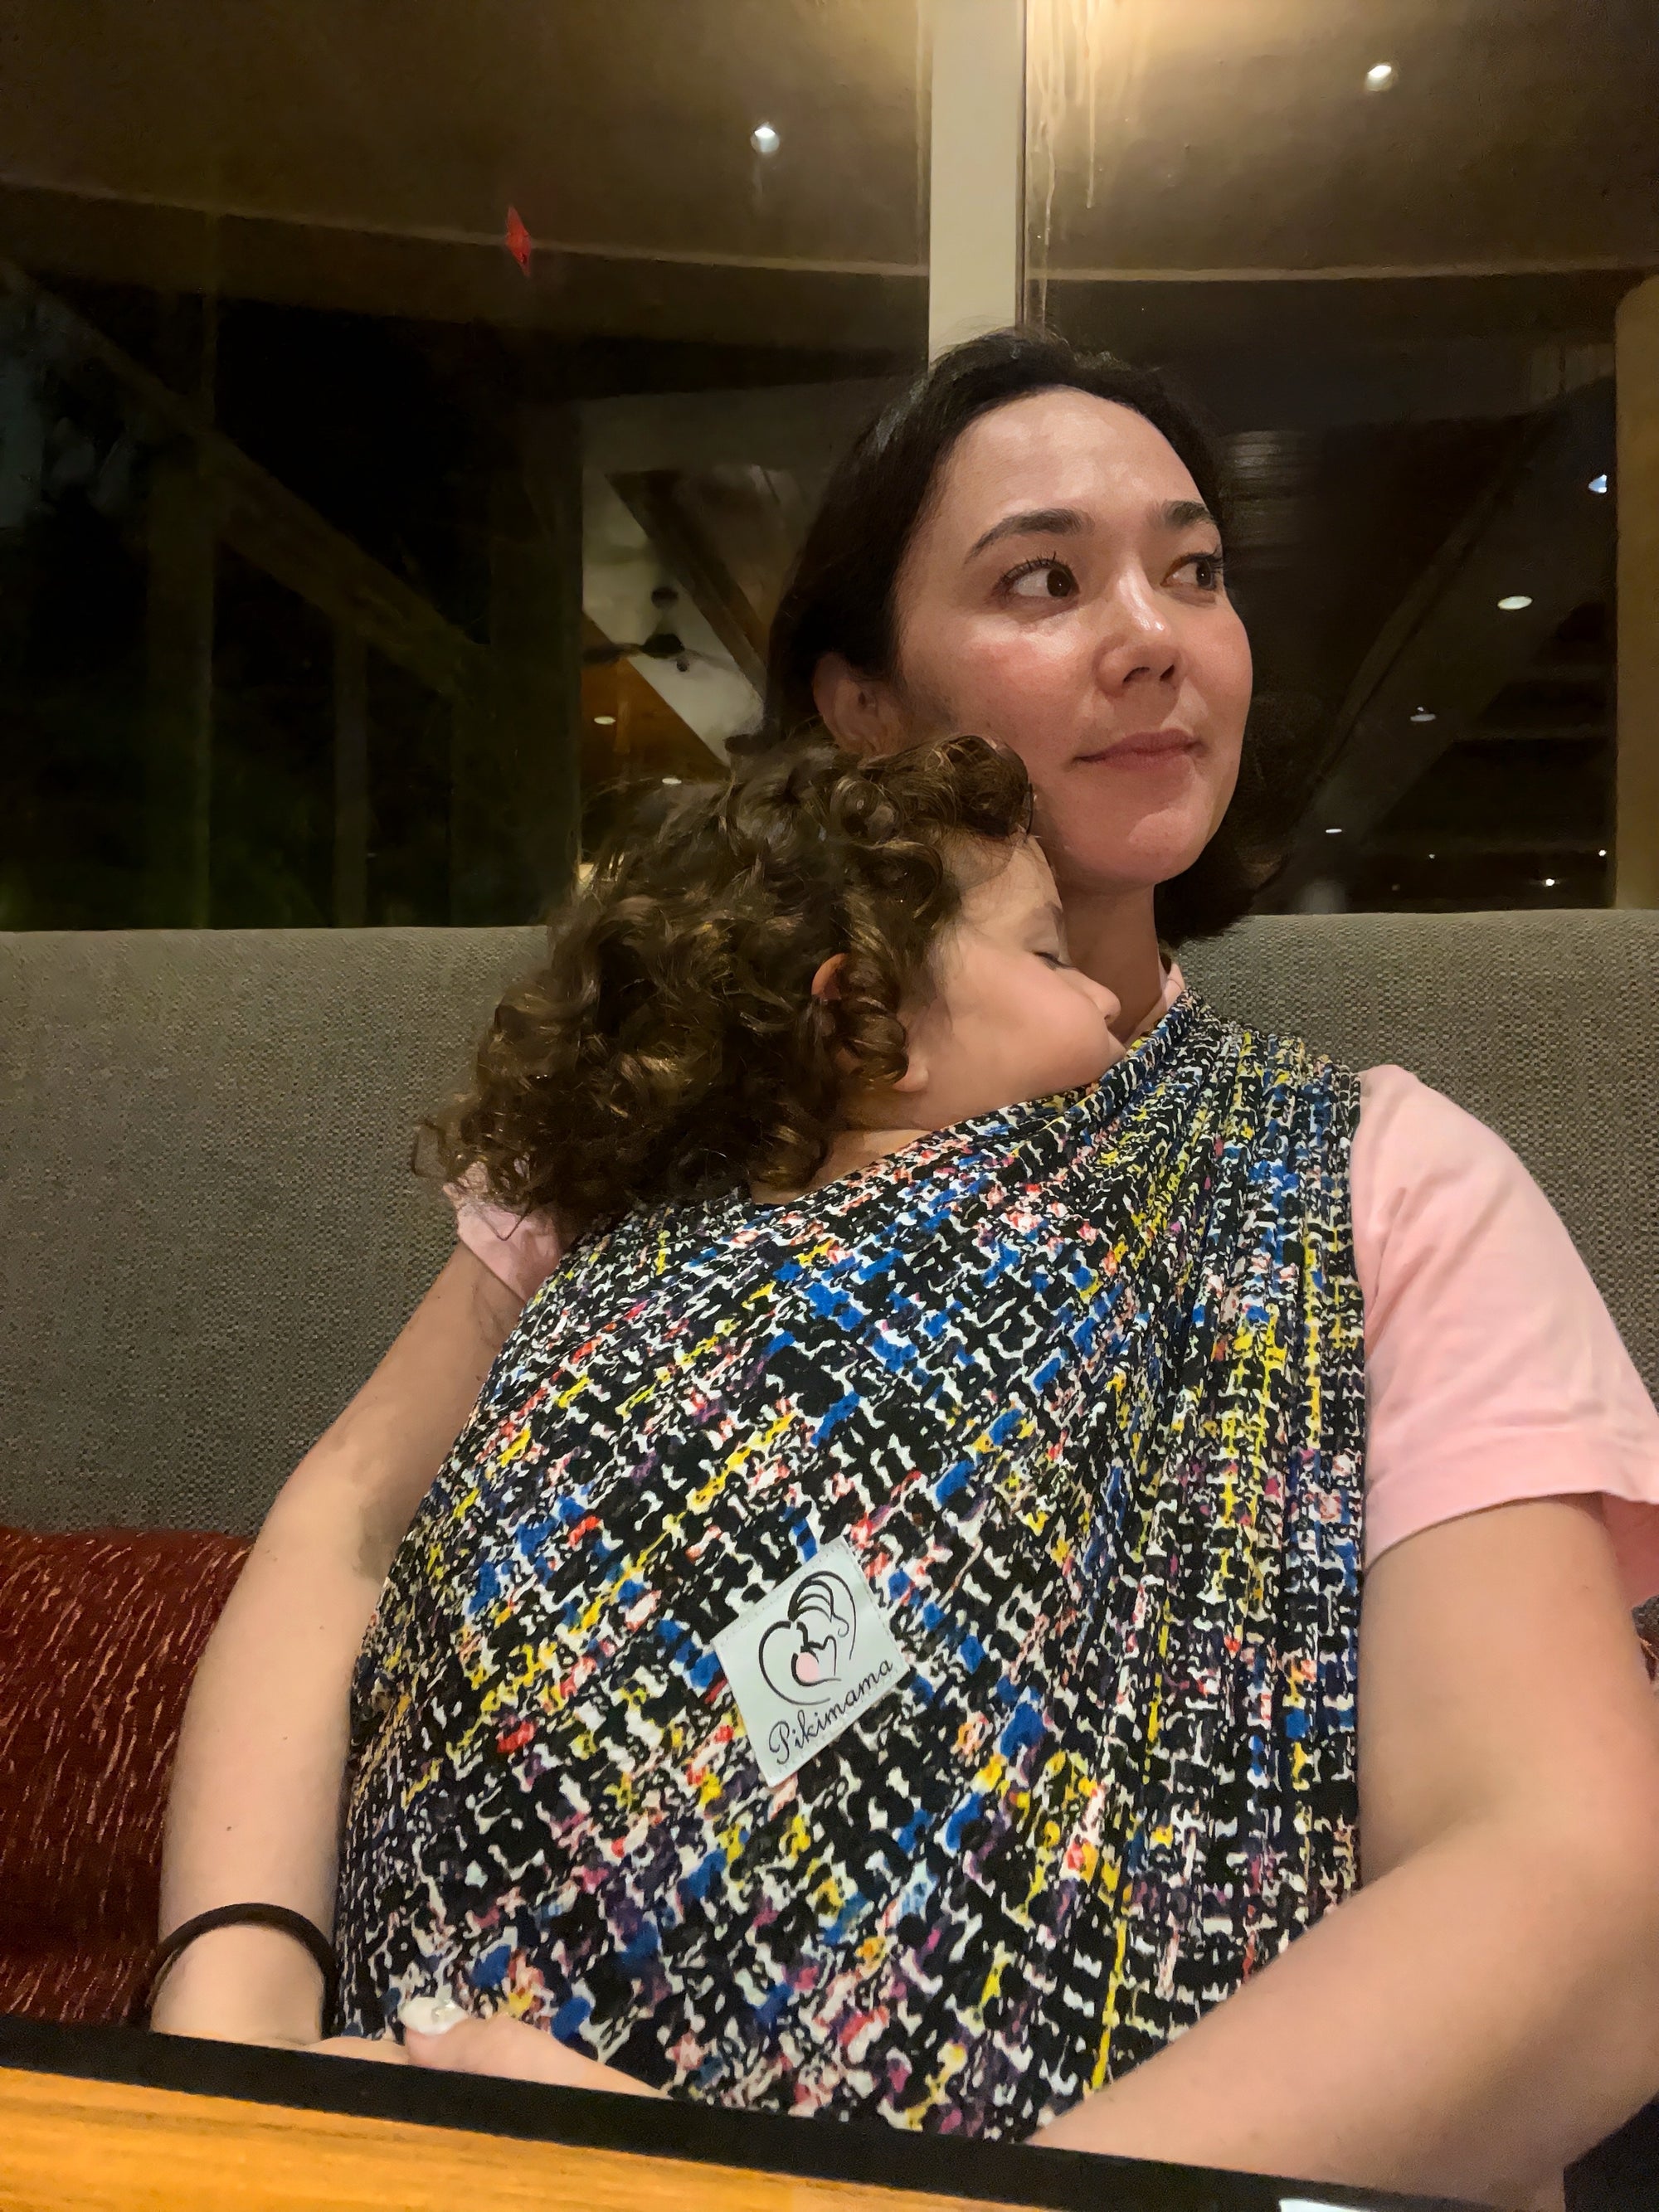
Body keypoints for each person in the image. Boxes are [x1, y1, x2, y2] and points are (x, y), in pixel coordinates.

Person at [156, 330, 1659, 2205]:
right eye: (1044, 579)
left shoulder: (1373, 1181)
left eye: (1194, 568)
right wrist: (224, 2035)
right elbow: (353, 1530)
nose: (1154, 635)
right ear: (863, 707)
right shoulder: (681, 1122)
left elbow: (1575, 1891)